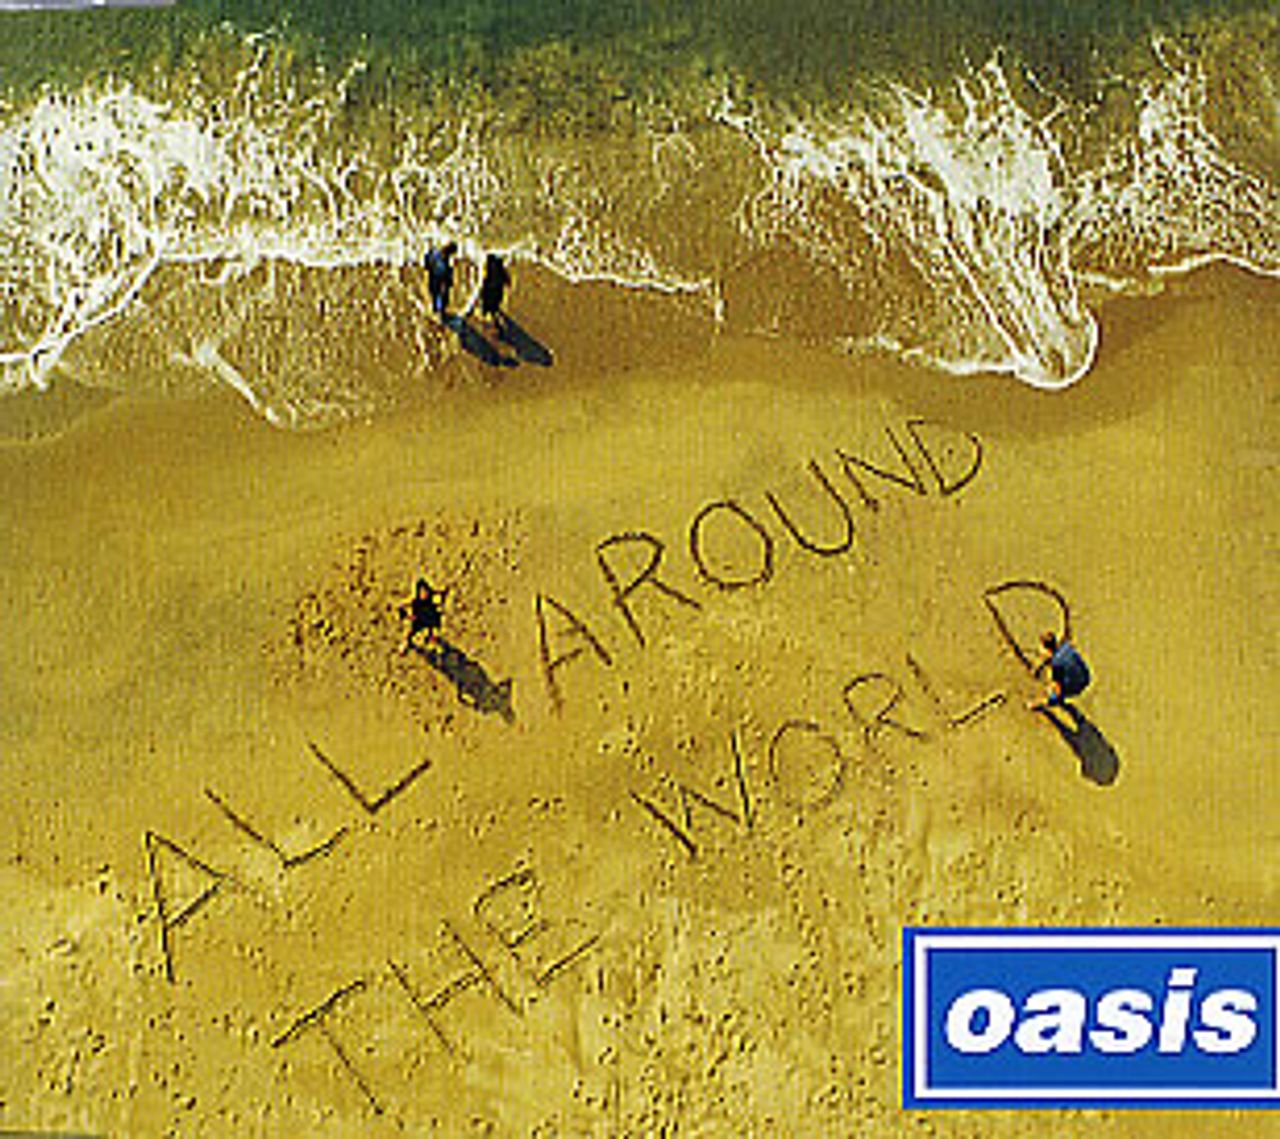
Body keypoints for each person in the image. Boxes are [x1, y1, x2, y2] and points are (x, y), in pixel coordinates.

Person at [1031, 630, 1091, 709]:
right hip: (1086, 677)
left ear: (1046, 648)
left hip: (1077, 686)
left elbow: (1058, 689)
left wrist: (1051, 692)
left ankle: (1037, 705)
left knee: (1053, 690)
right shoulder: (1067, 646)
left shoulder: (1055, 664)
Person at [401, 577, 446, 652]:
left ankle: (433, 642)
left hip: (430, 620)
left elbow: (440, 595)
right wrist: (408, 616)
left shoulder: (431, 597)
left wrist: (443, 596)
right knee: (410, 632)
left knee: (433, 631)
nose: (424, 594)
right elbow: (402, 606)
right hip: (418, 620)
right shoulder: (415, 601)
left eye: (425, 591)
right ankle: (406, 644)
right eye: (421, 592)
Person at [424, 241, 458, 318]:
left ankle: (439, 311)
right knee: (438, 295)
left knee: (439, 295)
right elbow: (429, 265)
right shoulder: (436, 254)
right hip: (437, 278)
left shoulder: (438, 254)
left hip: (438, 278)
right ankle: (438, 312)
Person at [476, 253, 511, 325]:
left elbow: (483, 282)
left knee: (489, 307)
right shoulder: (499, 269)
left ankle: (490, 317)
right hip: (495, 290)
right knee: (493, 307)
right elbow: (507, 279)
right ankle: (494, 318)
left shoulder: (488, 270)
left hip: (491, 291)